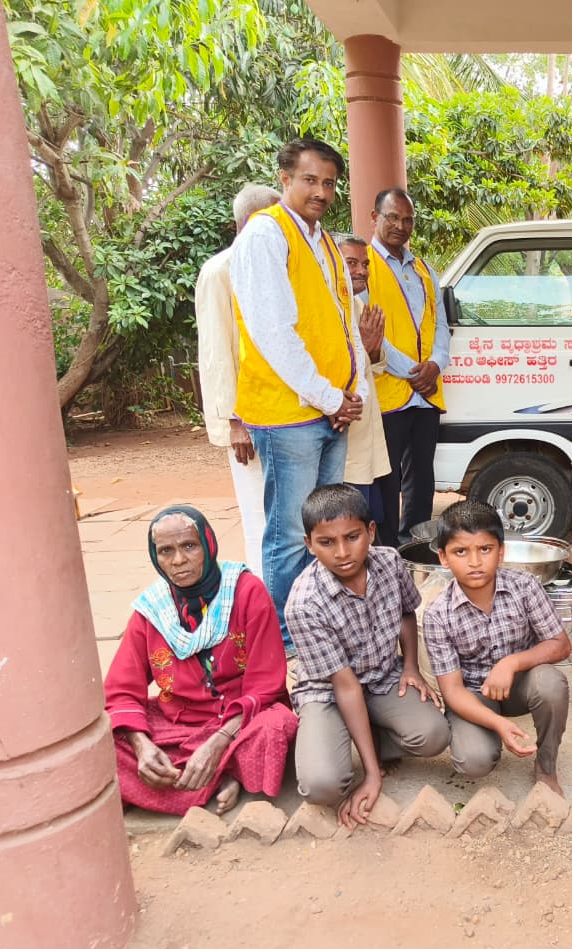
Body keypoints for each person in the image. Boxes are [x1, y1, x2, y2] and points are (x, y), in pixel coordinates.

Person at [229, 138, 370, 649]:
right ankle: (287, 642)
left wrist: (349, 396)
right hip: (289, 414)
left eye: (330, 183)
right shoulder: (266, 235)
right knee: (291, 535)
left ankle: (321, 624)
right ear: (285, 179)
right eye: (310, 180)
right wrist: (332, 397)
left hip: (330, 409)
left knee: (328, 531)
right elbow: (274, 335)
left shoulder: (324, 240)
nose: (321, 191)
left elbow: (341, 324)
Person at [104, 506, 297, 815]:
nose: (178, 560)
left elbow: (266, 686)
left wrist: (219, 741)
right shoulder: (151, 610)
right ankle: (225, 777)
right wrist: (142, 748)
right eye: (165, 551)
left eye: (189, 546)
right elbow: (120, 690)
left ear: (208, 545)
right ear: (155, 557)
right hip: (177, 723)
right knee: (106, 742)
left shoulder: (246, 592)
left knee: (276, 726)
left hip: (240, 721)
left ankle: (194, 780)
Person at [286, 484, 448, 826]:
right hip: (329, 691)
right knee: (322, 786)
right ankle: (343, 738)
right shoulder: (304, 603)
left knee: (434, 734)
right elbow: (345, 688)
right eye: (327, 543)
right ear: (309, 545)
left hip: (382, 675)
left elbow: (407, 612)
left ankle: (369, 734)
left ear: (371, 532)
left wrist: (410, 667)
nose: (343, 552)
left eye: (353, 536)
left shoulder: (389, 562)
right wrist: (372, 775)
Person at [422, 501, 572, 795]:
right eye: (461, 552)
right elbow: (452, 691)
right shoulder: (437, 614)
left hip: (519, 686)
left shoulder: (526, 586)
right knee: (473, 761)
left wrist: (511, 663)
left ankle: (546, 764)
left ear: (501, 552)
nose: (475, 562)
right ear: (443, 557)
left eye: (485, 549)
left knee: (551, 684)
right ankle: (487, 734)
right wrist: (498, 724)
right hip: (473, 695)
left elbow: (561, 645)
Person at [194, 183, 281, 573]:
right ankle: (264, 609)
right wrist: (235, 421)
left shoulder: (277, 266)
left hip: (285, 414)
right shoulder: (219, 271)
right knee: (259, 520)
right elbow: (216, 354)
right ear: (252, 222)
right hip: (247, 420)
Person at [366, 187, 450, 545]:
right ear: (375, 218)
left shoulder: (424, 268)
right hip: (389, 393)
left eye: (408, 219)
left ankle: (415, 549)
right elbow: (364, 328)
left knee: (422, 480)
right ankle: (386, 554)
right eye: (393, 217)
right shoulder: (361, 265)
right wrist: (413, 372)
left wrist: (435, 364)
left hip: (427, 394)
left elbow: (441, 324)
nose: (401, 225)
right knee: (385, 481)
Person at [334, 234, 392, 510]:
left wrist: (371, 350)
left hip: (365, 436)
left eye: (365, 264)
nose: (361, 271)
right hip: (343, 439)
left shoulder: (357, 306)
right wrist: (364, 351)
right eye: (352, 263)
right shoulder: (328, 308)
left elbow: (378, 365)